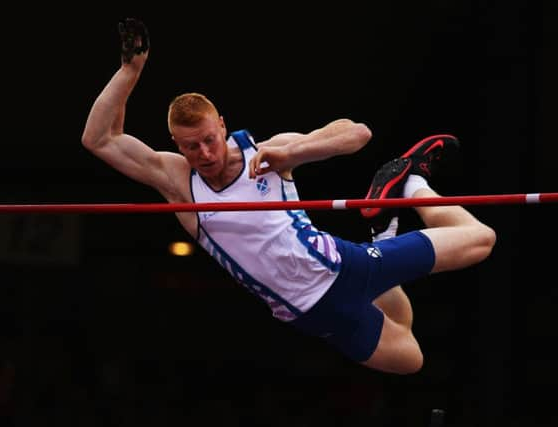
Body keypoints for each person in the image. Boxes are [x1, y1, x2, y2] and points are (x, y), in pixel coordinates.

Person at [81, 18, 496, 374]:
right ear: (176, 143)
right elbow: (100, 139)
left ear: (222, 126)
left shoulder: (266, 153)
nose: (204, 154)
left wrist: (291, 152)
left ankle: (411, 185)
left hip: (344, 269)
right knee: (411, 356)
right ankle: (383, 228)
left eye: (209, 140)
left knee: (482, 238)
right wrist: (130, 70)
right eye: (191, 147)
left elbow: (357, 134)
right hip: (307, 313)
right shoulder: (176, 181)